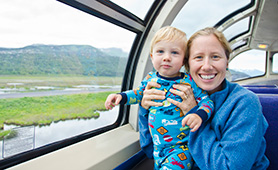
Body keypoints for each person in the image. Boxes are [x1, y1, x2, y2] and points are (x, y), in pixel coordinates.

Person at [139, 27, 269, 170]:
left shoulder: (244, 103)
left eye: (215, 57)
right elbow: (151, 150)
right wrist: (145, 109)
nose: (206, 66)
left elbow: (228, 167)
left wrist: (194, 113)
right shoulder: (177, 95)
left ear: (226, 62)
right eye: (198, 57)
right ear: (187, 64)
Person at [105, 26, 214, 170]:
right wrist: (121, 96)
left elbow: (207, 102)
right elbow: (138, 93)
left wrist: (198, 115)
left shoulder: (189, 82)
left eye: (174, 52)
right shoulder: (150, 79)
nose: (167, 57)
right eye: (160, 51)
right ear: (152, 57)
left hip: (181, 147)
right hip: (158, 147)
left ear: (183, 60)